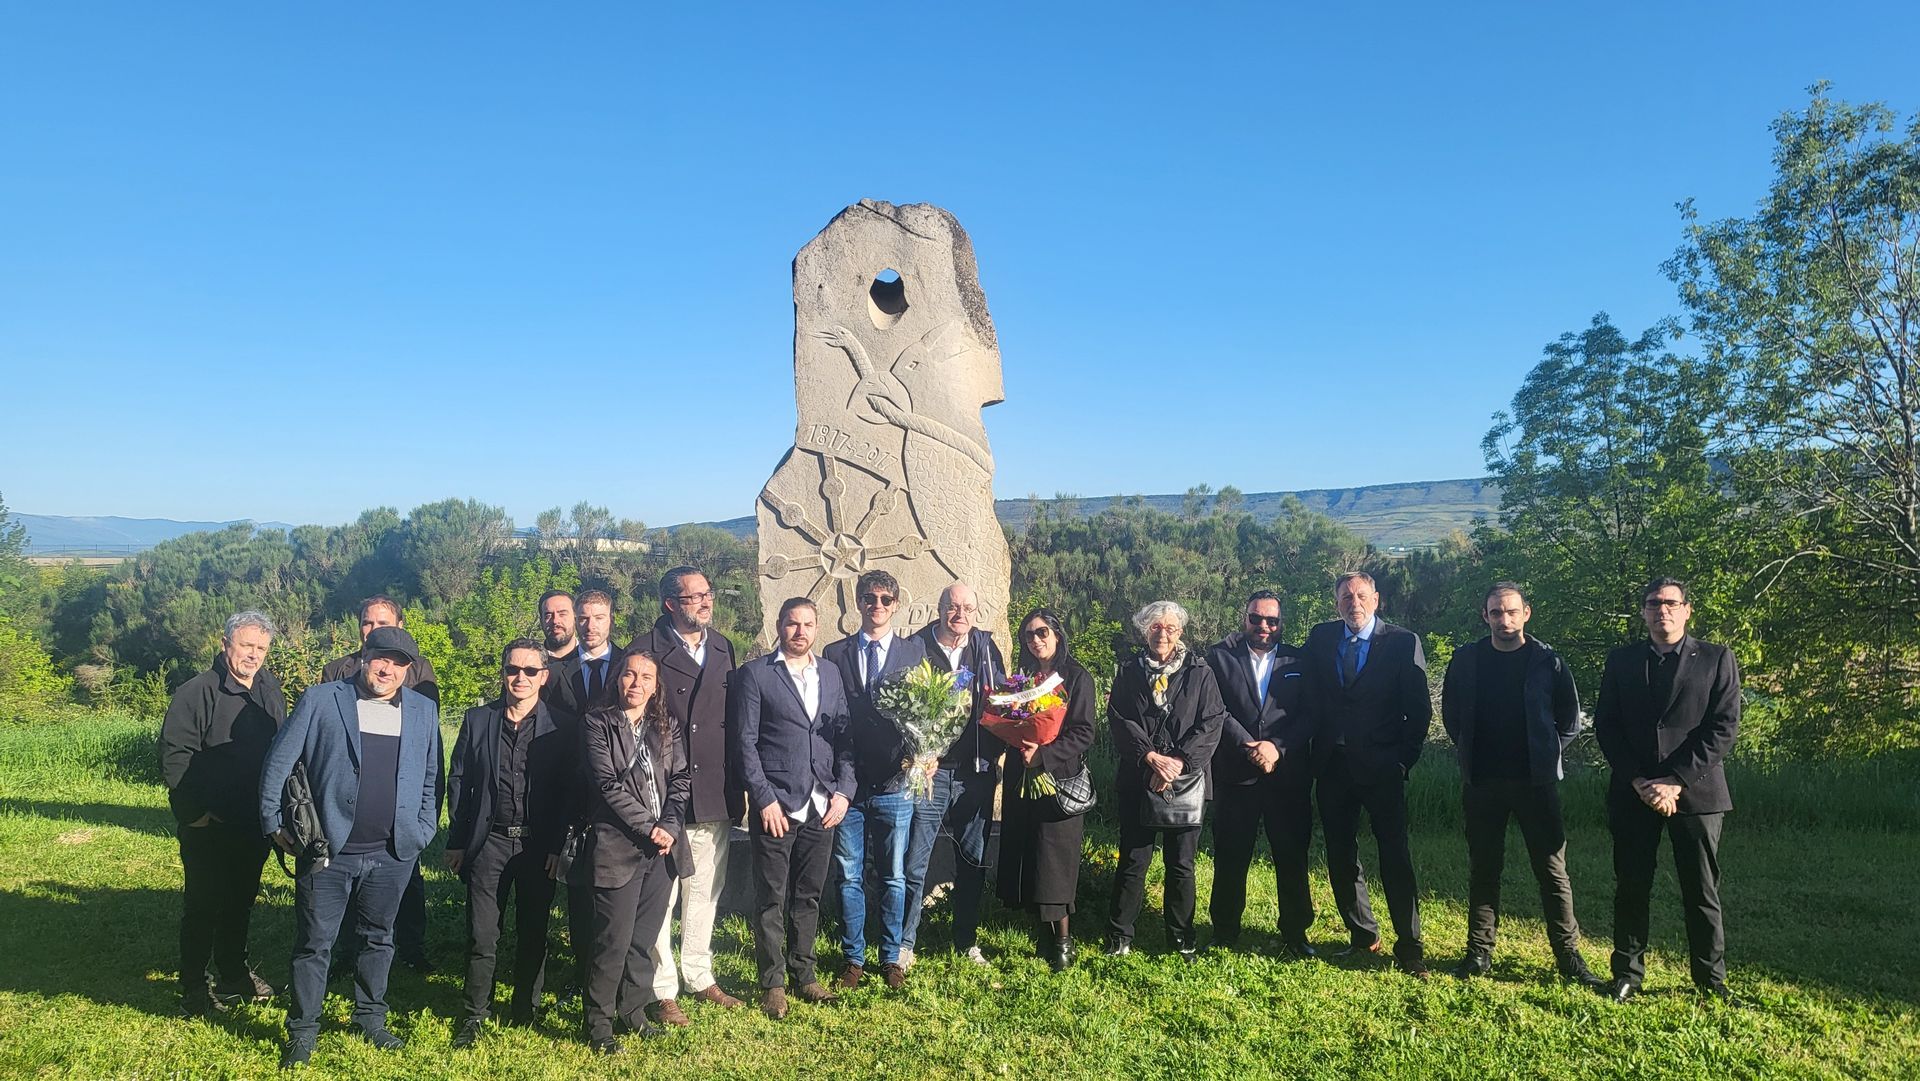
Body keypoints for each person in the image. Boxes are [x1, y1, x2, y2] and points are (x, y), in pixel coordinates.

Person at [258, 626, 443, 1069]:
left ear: (408, 670)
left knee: (379, 939)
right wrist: (271, 820)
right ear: (364, 657)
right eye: (382, 659)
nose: (389, 669)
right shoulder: (323, 699)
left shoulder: (421, 710)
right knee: (314, 943)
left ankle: (370, 1017)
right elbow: (278, 762)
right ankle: (303, 1030)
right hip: (328, 850)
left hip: (393, 852)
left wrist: (421, 831)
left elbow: (430, 778)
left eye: (400, 664)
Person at [1440, 583, 1600, 986]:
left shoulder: (1548, 662)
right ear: (1485, 615)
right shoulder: (1467, 660)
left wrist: (1546, 753)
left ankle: (1568, 956)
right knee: (1484, 868)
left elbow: (1570, 720)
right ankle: (1478, 953)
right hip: (1483, 782)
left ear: (1526, 613)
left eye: (1512, 612)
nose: (1504, 620)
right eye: (1496, 613)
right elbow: (1453, 717)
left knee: (1551, 870)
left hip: (1536, 782)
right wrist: (1473, 752)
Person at [1594, 577, 1742, 1003]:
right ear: (1643, 612)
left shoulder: (1716, 658)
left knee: (1700, 889)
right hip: (1634, 792)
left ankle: (1710, 980)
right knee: (1632, 885)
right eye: (1653, 604)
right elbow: (1608, 725)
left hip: (1696, 794)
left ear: (1687, 609)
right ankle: (1627, 973)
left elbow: (1723, 728)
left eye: (1671, 603)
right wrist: (1640, 780)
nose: (1663, 610)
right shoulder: (1621, 661)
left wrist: (1674, 780)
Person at [445, 639, 577, 1048]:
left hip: (539, 847)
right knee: (482, 935)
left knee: (534, 931)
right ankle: (475, 1014)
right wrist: (456, 840)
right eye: (513, 670)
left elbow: (568, 794)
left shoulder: (563, 726)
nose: (520, 678)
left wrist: (559, 846)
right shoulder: (477, 720)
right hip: (490, 843)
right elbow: (460, 781)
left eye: (530, 671)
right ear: (503, 672)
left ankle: (525, 1010)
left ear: (544, 676)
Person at [729, 597, 854, 1019]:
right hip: (777, 805)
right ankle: (773, 982)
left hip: (823, 804)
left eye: (807, 624)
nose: (800, 631)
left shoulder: (831, 674)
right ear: (778, 626)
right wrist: (762, 798)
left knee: (809, 895)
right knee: (770, 896)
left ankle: (805, 974)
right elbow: (743, 743)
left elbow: (845, 739)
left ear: (816, 628)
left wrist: (844, 791)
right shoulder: (755, 674)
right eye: (792, 624)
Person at [159, 610, 286, 1017]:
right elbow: (175, 757)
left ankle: (233, 973)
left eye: (261, 648)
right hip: (208, 825)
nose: (253, 655)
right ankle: (193, 986)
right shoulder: (196, 692)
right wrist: (194, 815)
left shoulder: (270, 689)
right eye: (246, 645)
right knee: (203, 905)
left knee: (241, 901)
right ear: (225, 643)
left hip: (254, 822)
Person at [631, 566, 744, 1022]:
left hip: (714, 789)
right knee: (662, 896)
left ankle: (700, 974)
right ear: (670, 604)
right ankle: (661, 987)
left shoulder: (722, 646)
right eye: (694, 596)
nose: (705, 602)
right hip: (664, 794)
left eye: (707, 594)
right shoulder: (644, 650)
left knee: (705, 891)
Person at [1306, 571, 1432, 977]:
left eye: (1361, 596)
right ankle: (1363, 935)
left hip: (1383, 767)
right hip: (1333, 767)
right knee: (1341, 855)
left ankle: (1409, 945)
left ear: (1376, 600)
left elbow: (1419, 711)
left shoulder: (1401, 642)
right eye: (1346, 597)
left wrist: (1402, 761)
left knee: (1395, 855)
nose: (1353, 603)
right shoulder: (1322, 637)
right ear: (1336, 602)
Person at [575, 652, 690, 1056]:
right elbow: (607, 785)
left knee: (642, 941)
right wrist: (650, 826)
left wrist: (671, 826)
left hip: (663, 851)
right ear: (618, 679)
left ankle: (634, 1012)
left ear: (656, 685)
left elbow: (680, 780)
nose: (636, 683)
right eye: (629, 674)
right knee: (613, 941)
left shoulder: (667, 726)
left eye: (646, 677)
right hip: (618, 846)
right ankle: (598, 1024)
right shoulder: (597, 723)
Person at [320, 595, 439, 972]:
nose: (373, 629)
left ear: (400, 626)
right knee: (342, 879)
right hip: (346, 794)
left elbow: (425, 735)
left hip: (397, 794)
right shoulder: (337, 670)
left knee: (406, 878)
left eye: (382, 622)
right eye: (367, 623)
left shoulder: (419, 670)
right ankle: (344, 951)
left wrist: (422, 820)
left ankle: (411, 947)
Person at [822, 569, 928, 989]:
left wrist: (926, 753)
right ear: (858, 603)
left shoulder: (914, 652)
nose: (877, 606)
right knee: (848, 874)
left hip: (895, 782)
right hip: (846, 785)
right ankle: (853, 958)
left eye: (885, 598)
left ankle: (891, 958)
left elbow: (927, 712)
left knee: (894, 875)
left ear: (896, 604)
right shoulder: (834, 653)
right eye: (869, 598)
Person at [1105, 600, 1228, 961]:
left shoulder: (1200, 672)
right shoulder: (1128, 672)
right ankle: (1120, 935)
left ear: (1181, 633)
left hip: (1185, 781)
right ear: (1145, 631)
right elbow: (1120, 719)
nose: (1163, 634)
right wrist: (1150, 758)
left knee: (1181, 865)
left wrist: (1177, 762)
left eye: (1170, 628)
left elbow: (1212, 721)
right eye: (1156, 627)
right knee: (1132, 860)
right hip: (1139, 776)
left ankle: (1181, 937)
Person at [1204, 591, 1317, 958]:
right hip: (1237, 774)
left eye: (1272, 620)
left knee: (1292, 856)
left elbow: (1311, 715)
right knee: (1231, 855)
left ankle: (1296, 932)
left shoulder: (1300, 660)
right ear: (1244, 618)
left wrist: (1276, 748)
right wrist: (1250, 746)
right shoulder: (1219, 658)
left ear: (1282, 623)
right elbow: (1216, 710)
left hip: (1287, 776)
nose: (1264, 626)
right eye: (1256, 618)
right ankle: (1224, 929)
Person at [902, 582, 1006, 966]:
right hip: (930, 773)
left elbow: (1000, 704)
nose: (959, 614)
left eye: (967, 608)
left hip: (974, 773)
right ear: (940, 607)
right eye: (951, 606)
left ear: (975, 613)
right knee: (916, 859)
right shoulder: (916, 648)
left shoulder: (984, 648)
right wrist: (917, 755)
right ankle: (904, 943)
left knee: (973, 859)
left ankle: (965, 939)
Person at [996, 608, 1096, 971]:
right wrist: (1019, 744)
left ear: (1057, 633)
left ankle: (1063, 942)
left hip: (1058, 780)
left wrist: (1045, 754)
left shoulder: (1077, 677)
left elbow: (1085, 732)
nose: (1035, 640)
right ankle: (1039, 932)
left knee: (1054, 860)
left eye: (1042, 633)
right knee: (1027, 853)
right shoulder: (1022, 679)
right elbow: (1010, 721)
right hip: (1023, 779)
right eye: (1028, 635)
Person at [546, 589, 623, 717]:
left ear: (611, 620)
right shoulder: (555, 672)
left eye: (599, 618)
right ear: (575, 622)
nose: (590, 626)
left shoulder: (627, 665)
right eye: (583, 619)